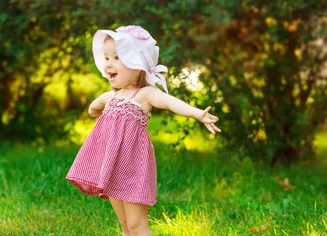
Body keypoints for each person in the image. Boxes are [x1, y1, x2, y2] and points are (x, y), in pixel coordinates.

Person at [65, 25, 221, 236]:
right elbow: (94, 106)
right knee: (126, 226)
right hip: (110, 167)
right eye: (107, 58)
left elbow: (169, 102)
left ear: (137, 65)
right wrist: (96, 113)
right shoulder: (110, 96)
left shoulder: (145, 94)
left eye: (117, 57)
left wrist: (196, 113)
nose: (109, 64)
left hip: (133, 169)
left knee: (138, 226)